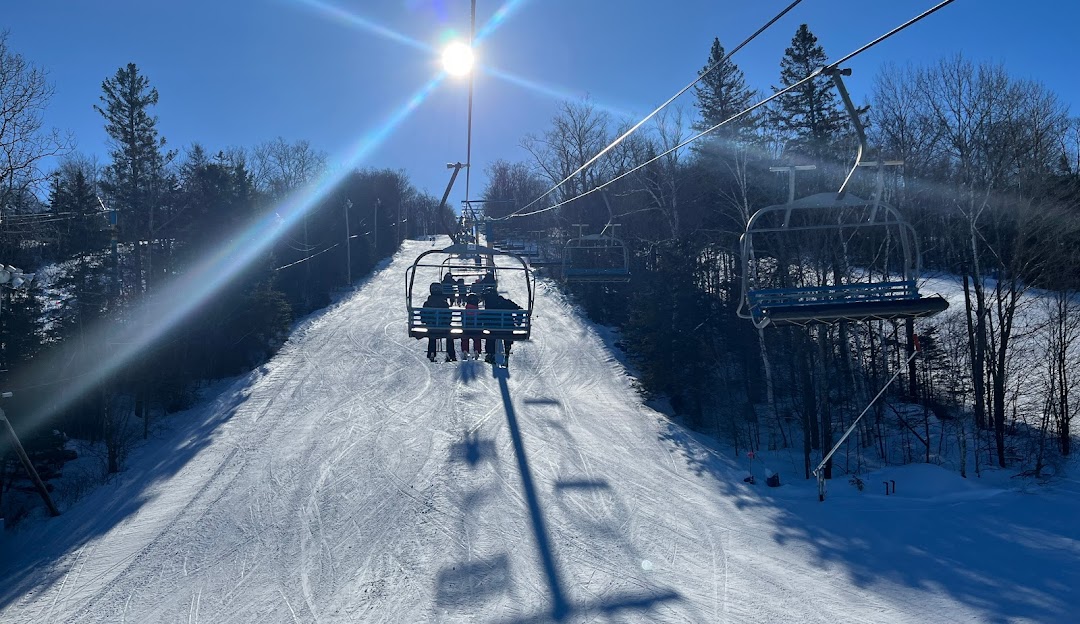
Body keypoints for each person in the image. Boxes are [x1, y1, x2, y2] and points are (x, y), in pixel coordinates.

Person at [482, 291, 521, 363]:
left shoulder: (490, 304)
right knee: (508, 334)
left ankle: (490, 353)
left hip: (494, 328)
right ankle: (507, 348)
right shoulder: (507, 303)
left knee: (490, 336)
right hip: (507, 328)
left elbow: (484, 316)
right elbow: (519, 309)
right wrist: (518, 321)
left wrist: (484, 324)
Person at [422, 282, 457, 362]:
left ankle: (431, 352)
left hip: (431, 327)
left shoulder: (427, 303)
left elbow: (423, 316)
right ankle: (450, 353)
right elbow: (449, 316)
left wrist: (426, 321)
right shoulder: (444, 303)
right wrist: (446, 322)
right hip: (444, 328)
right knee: (449, 336)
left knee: (432, 336)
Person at [460, 293, 481, 358]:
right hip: (476, 330)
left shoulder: (465, 311)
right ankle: (477, 350)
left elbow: (462, 320)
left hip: (467, 329)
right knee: (477, 338)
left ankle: (465, 350)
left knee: (464, 338)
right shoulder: (478, 311)